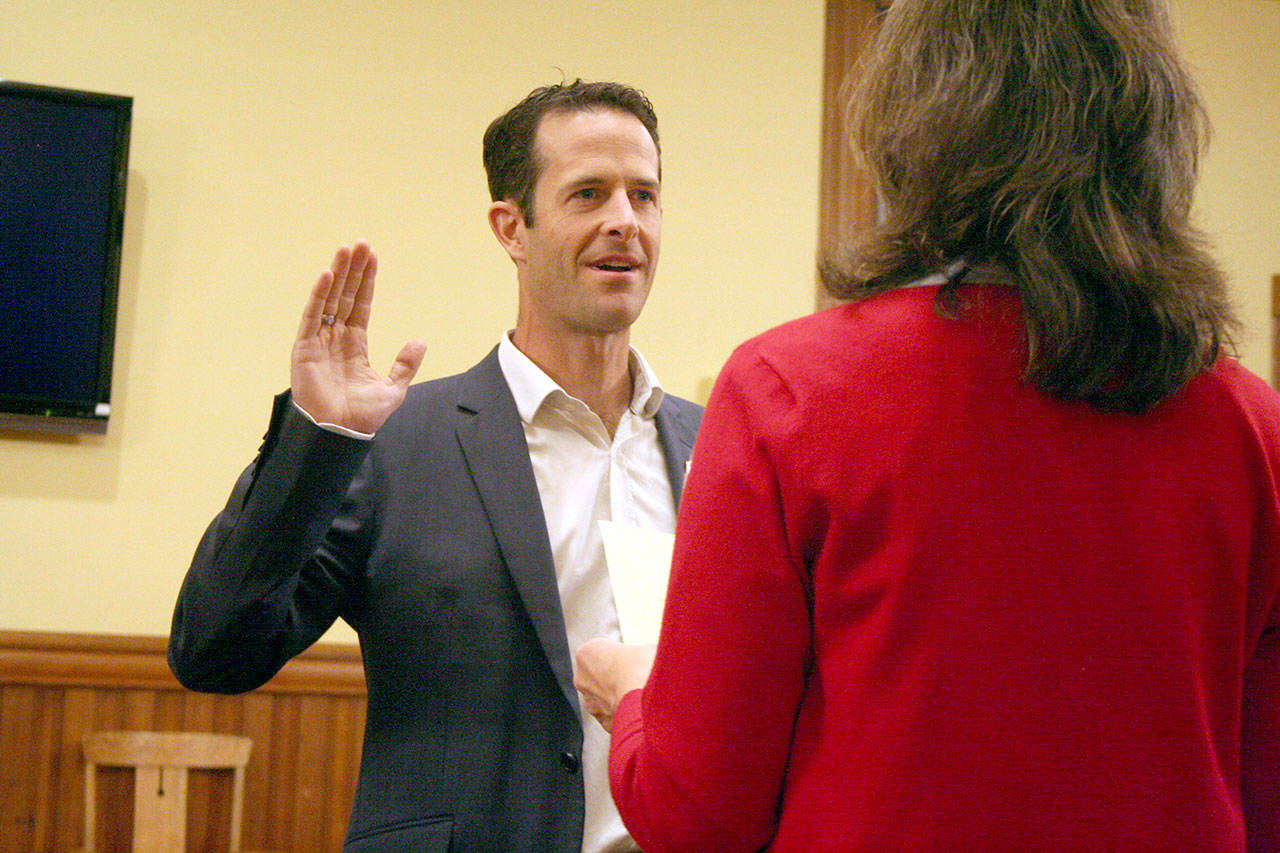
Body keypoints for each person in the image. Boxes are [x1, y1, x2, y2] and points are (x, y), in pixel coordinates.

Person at [575, 1, 1280, 849]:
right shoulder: (1251, 426)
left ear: (913, 120)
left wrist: (637, 696)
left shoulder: (788, 395)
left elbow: (696, 812)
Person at [168, 80, 702, 853]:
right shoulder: (395, 443)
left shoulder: (715, 447)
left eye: (644, 195)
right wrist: (317, 440)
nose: (625, 220)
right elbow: (214, 650)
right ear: (512, 227)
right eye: (589, 193)